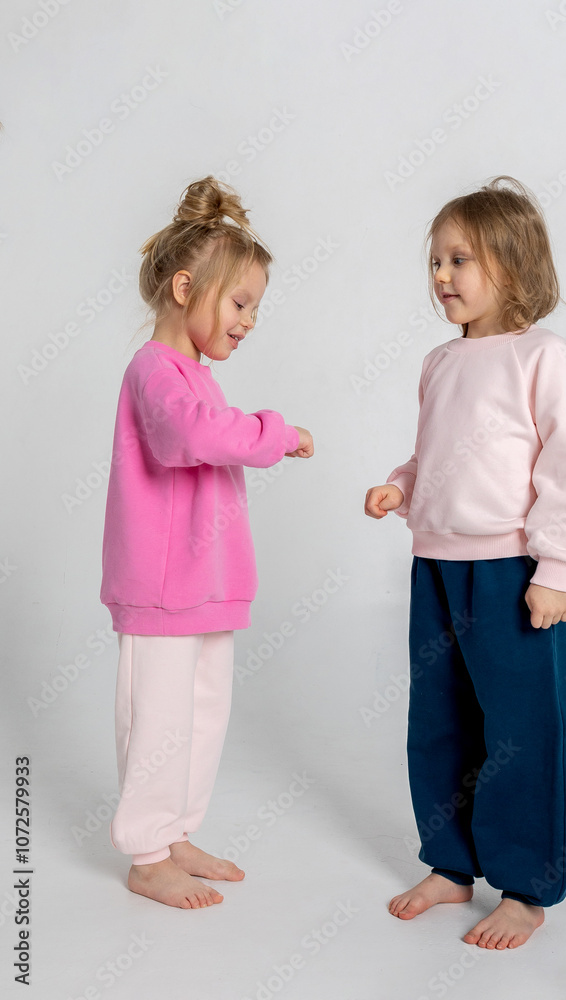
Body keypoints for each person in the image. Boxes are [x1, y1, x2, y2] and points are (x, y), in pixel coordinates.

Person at [364, 176, 566, 949]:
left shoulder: (540, 356)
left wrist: (555, 568)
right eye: (434, 261)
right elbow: (434, 453)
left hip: (509, 571)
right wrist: (400, 487)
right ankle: (451, 862)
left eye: (458, 260)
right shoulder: (439, 362)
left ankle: (526, 887)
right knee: (439, 721)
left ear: (512, 263)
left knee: (522, 730)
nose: (440, 275)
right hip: (435, 566)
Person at [99, 176, 313, 909]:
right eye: (240, 303)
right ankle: (146, 851)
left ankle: (176, 831)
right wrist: (274, 432)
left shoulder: (194, 375)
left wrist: (256, 434)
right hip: (161, 587)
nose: (249, 321)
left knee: (200, 713)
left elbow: (210, 439)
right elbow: (190, 437)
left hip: (206, 583)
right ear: (185, 288)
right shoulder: (154, 372)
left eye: (255, 308)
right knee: (158, 716)